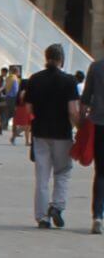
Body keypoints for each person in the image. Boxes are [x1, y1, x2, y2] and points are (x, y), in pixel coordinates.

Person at [24, 44, 80, 229]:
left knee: (42, 176)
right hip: (62, 134)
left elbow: (29, 108)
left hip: (40, 133)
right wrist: (79, 128)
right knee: (62, 172)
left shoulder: (35, 79)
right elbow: (72, 110)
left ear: (45, 57)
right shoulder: (69, 81)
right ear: (61, 59)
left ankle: (42, 217)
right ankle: (57, 206)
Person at [82, 46, 104, 234]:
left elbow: (86, 97)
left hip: (100, 124)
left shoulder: (96, 68)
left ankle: (98, 216)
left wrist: (81, 123)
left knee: (101, 173)